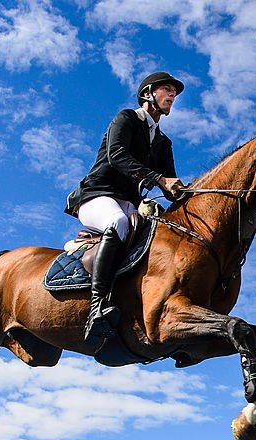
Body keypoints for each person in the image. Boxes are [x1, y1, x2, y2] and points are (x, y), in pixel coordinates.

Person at [64, 71, 187, 344]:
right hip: (97, 196)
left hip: (130, 203)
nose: (172, 96)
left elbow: (169, 180)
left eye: (174, 93)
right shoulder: (127, 118)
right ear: (148, 94)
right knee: (117, 222)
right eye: (167, 90)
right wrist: (157, 179)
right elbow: (116, 155)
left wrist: (186, 194)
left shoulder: (163, 142)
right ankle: (96, 306)